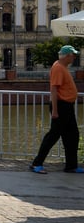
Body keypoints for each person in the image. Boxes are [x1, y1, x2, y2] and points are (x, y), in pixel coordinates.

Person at [30, 45, 81, 174]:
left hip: (66, 106)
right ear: (67, 55)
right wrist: (55, 110)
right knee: (53, 136)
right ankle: (36, 164)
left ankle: (71, 166)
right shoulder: (58, 67)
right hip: (61, 105)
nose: (74, 57)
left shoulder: (62, 67)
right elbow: (54, 89)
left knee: (72, 135)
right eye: (73, 55)